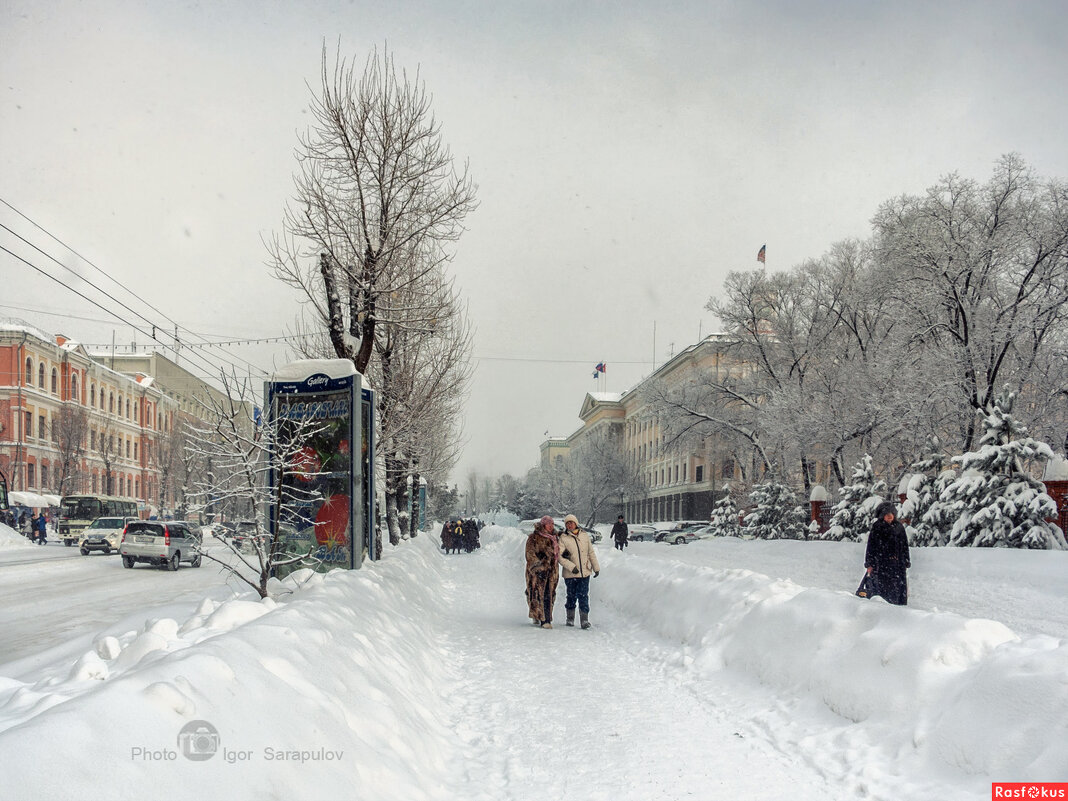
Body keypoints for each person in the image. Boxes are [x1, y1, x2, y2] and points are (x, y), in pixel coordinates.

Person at [558, 514, 601, 629]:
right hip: (571, 573)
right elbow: (560, 557)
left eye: (571, 522)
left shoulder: (584, 535)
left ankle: (584, 620)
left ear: (576, 523)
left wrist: (596, 568)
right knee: (571, 596)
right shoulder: (563, 538)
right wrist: (572, 567)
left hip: (585, 572)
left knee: (583, 596)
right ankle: (570, 618)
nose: (569, 525)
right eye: (567, 523)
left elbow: (590, 553)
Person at [865, 501, 910, 605]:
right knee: (883, 591)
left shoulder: (899, 527)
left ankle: (897, 606)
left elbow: (904, 546)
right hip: (881, 565)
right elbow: (871, 547)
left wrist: (906, 560)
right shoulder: (877, 527)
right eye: (887, 514)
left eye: (891, 514)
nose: (890, 516)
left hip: (897, 566)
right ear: (882, 516)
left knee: (897, 590)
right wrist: (869, 563)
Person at [525, 515, 560, 629]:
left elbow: (558, 553)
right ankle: (544, 620)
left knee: (550, 594)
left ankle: (544, 616)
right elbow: (530, 554)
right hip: (537, 573)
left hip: (552, 572)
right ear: (543, 525)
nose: (551, 526)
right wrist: (539, 565)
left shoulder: (555, 537)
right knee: (538, 594)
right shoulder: (534, 537)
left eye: (552, 524)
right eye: (548, 524)